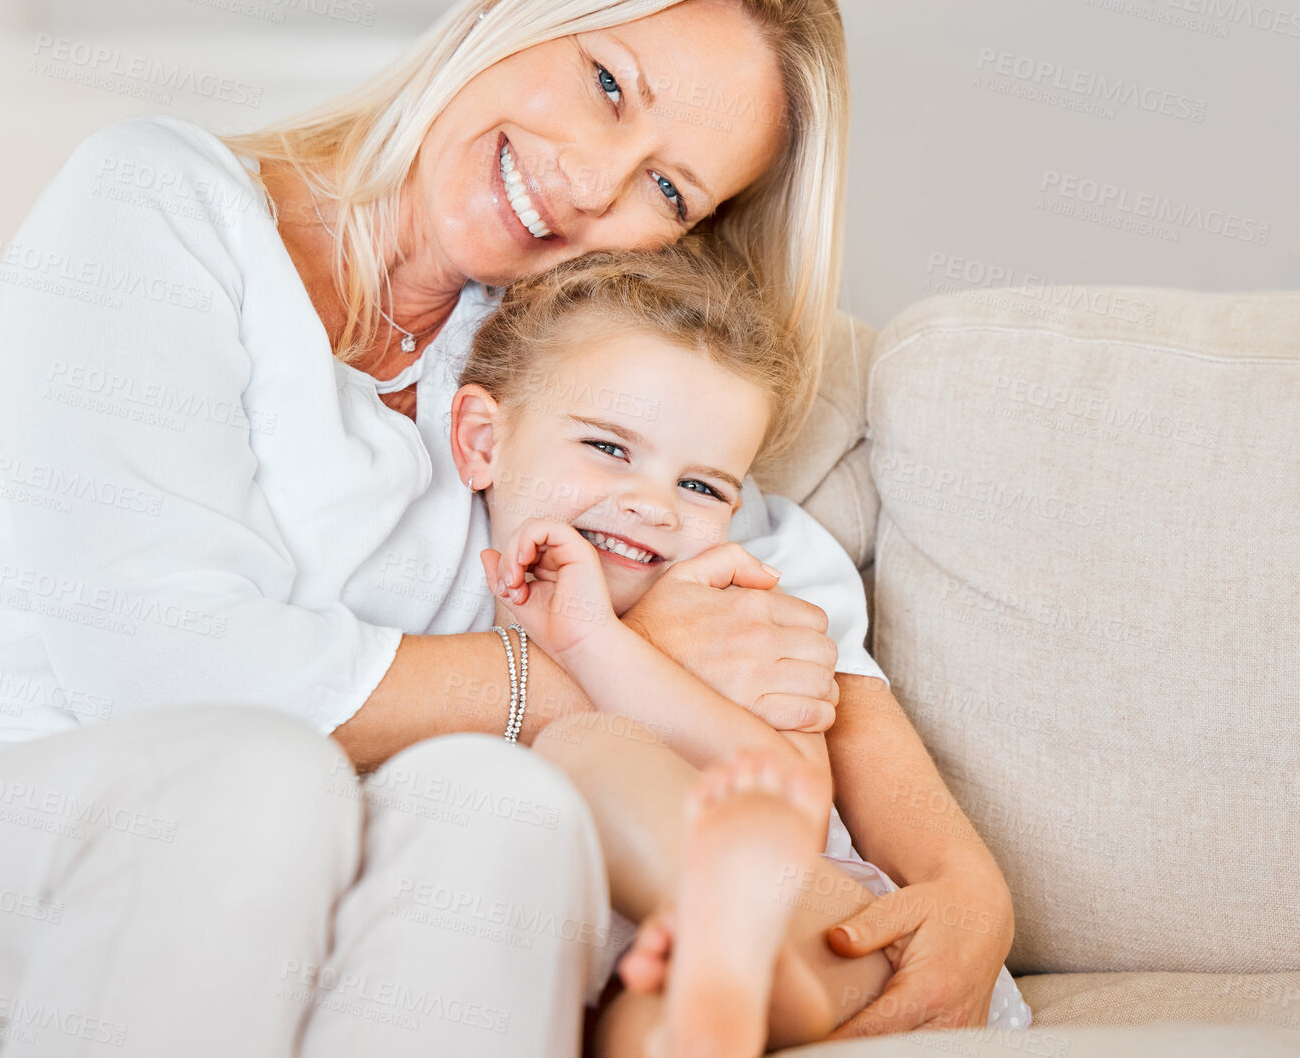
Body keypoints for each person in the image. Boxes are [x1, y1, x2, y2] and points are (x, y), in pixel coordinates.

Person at [0, 0, 1011, 1056]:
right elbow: (168, 667)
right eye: (608, 83)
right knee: (259, 779)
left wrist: (960, 876)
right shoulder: (158, 203)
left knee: (502, 811)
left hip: (265, 883)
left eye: (666, 191)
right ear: (512, 3)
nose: (593, 182)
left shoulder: (534, 380)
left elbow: (769, 599)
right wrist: (609, 649)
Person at [442, 243, 1031, 1055]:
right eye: (608, 447)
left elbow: (789, 799)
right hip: (628, 966)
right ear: (481, 441)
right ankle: (708, 995)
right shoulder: (443, 583)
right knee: (645, 1018)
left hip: (814, 926)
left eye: (701, 486)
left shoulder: (744, 598)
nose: (650, 504)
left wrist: (595, 643)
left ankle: (736, 951)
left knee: (585, 742)